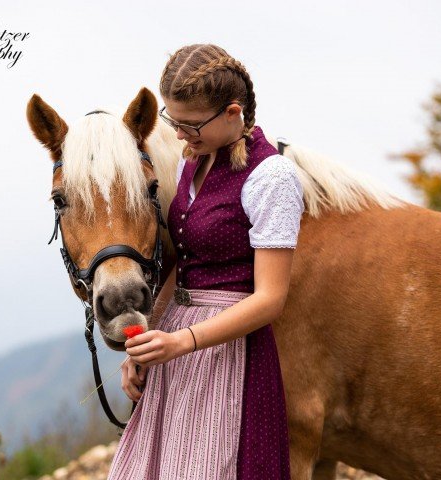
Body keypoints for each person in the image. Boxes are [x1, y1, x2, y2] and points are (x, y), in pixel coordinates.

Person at [107, 44, 304, 480]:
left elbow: (271, 299)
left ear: (233, 112)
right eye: (172, 121)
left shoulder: (271, 178)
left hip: (230, 353)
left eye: (190, 124)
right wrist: (148, 340)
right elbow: (187, 264)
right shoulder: (193, 162)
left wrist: (183, 342)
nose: (179, 134)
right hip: (177, 342)